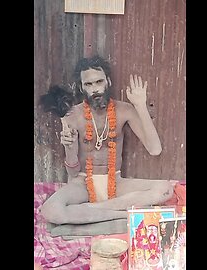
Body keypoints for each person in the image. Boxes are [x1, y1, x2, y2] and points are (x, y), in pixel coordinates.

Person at [40, 55, 175, 236]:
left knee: (165, 189)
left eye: (99, 82)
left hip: (116, 183)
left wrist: (140, 105)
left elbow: (154, 149)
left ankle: (95, 213)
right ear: (81, 87)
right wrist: (69, 147)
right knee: (50, 210)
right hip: (83, 183)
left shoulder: (125, 110)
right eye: (89, 84)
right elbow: (72, 172)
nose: (95, 89)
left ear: (108, 82)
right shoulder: (72, 115)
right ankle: (120, 217)